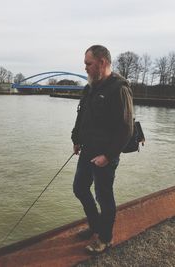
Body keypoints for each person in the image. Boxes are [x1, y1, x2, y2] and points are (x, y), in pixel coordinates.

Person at [71, 45, 133, 254]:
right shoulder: (90, 87)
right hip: (87, 150)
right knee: (80, 188)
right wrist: (76, 138)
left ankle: (105, 239)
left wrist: (108, 156)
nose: (85, 67)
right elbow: (82, 116)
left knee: (103, 196)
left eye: (89, 63)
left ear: (102, 62)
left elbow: (126, 129)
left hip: (105, 154)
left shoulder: (119, 89)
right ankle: (95, 226)